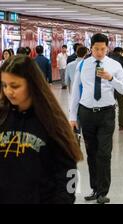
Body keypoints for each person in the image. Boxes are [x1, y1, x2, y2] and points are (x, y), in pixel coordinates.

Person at [0, 55, 83, 203]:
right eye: (4, 85)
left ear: (32, 84)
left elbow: (69, 173)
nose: (8, 91)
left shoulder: (52, 122)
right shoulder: (2, 117)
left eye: (15, 86)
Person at [69, 33, 123, 204]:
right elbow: (75, 92)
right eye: (96, 49)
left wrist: (111, 78)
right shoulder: (82, 65)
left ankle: (103, 192)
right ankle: (94, 188)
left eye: (103, 49)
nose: (100, 52)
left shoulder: (115, 65)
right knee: (91, 152)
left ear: (107, 48)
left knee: (104, 153)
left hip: (106, 114)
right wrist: (72, 116)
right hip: (86, 113)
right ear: (91, 48)